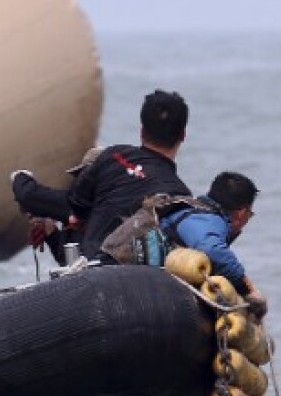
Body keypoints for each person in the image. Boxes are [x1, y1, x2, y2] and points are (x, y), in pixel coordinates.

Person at [68, 90, 192, 260]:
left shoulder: (114, 154)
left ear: (141, 130)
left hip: (84, 262)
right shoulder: (180, 196)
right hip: (127, 278)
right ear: (183, 135)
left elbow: (76, 202)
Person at [160, 171, 265, 316]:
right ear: (241, 213)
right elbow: (211, 249)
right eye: (250, 214)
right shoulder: (209, 220)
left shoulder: (192, 211)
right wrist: (248, 291)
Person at [11, 146, 104, 265]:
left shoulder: (78, 204)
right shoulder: (124, 201)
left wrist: (20, 176)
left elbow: (27, 195)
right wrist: (51, 233)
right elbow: (66, 260)